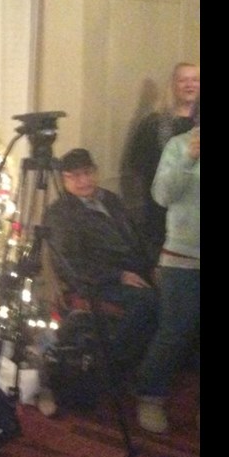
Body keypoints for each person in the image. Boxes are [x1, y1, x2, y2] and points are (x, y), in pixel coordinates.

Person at [43, 148, 159, 377]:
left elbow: (136, 237)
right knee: (146, 301)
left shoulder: (110, 199)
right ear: (63, 179)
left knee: (180, 292)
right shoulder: (61, 213)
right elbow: (70, 265)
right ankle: (112, 364)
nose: (84, 180)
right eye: (75, 176)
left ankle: (152, 363)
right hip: (97, 281)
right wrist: (118, 275)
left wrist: (155, 265)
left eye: (87, 172)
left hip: (134, 271)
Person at [135, 98, 200, 434]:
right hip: (181, 258)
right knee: (174, 332)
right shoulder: (177, 146)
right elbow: (162, 194)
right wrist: (189, 157)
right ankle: (149, 395)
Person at [124, 62, 200, 263]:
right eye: (183, 80)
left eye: (195, 80)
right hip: (162, 216)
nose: (190, 85)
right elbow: (140, 168)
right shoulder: (154, 125)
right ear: (173, 85)